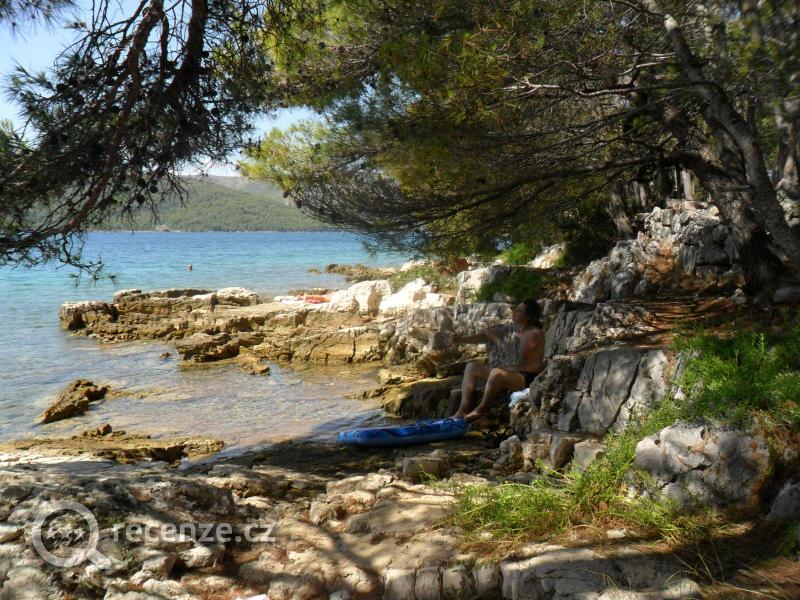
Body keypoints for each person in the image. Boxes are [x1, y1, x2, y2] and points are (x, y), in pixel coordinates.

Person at [451, 298, 545, 423]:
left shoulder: (534, 334)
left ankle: (481, 410)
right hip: (510, 373)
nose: (514, 312)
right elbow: (485, 337)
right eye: (515, 309)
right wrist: (461, 339)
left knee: (496, 373)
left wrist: (497, 339)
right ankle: (462, 410)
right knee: (471, 366)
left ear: (528, 317)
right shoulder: (512, 328)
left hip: (527, 378)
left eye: (518, 310)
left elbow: (515, 358)